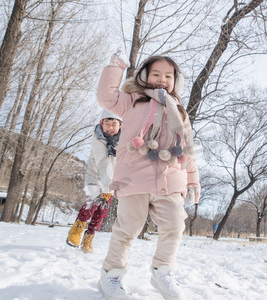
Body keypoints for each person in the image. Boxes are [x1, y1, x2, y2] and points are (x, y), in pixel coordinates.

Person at [95, 50, 201, 300]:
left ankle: (162, 271)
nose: (162, 79)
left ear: (176, 81)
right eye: (155, 73)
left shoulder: (180, 112)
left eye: (168, 75)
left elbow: (188, 149)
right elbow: (105, 96)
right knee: (127, 229)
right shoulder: (132, 100)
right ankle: (111, 274)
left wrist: (193, 180)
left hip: (171, 179)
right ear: (144, 76)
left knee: (175, 224)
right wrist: (115, 67)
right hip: (134, 178)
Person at [66, 109, 122, 253]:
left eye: (114, 124)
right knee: (92, 204)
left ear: (120, 125)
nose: (110, 128)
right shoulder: (98, 138)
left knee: (102, 213)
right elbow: (103, 163)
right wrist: (106, 189)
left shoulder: (123, 140)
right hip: (95, 178)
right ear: (101, 124)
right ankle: (77, 230)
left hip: (109, 182)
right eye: (107, 123)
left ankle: (89, 237)